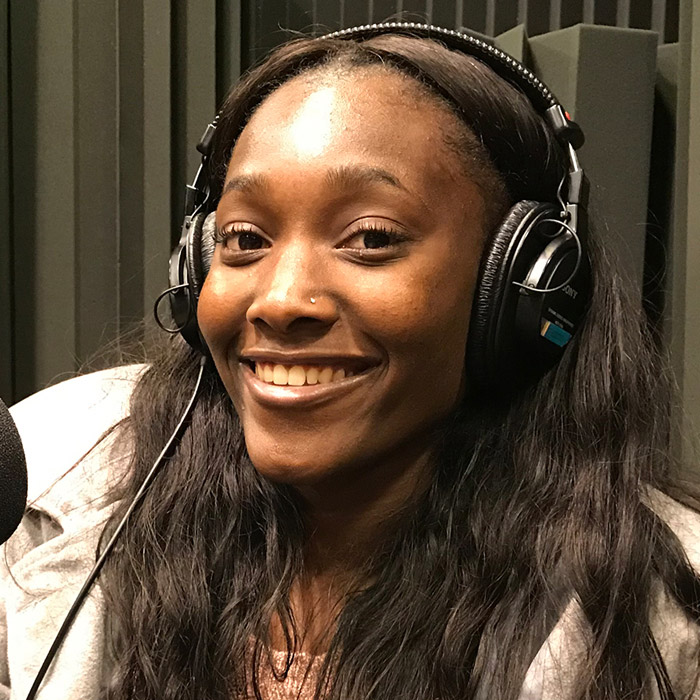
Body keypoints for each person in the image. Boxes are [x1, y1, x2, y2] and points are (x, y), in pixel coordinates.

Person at [3, 22, 700, 700]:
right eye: (244, 238)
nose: (280, 300)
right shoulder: (46, 483)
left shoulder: (667, 623)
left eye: (369, 239)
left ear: (521, 283)